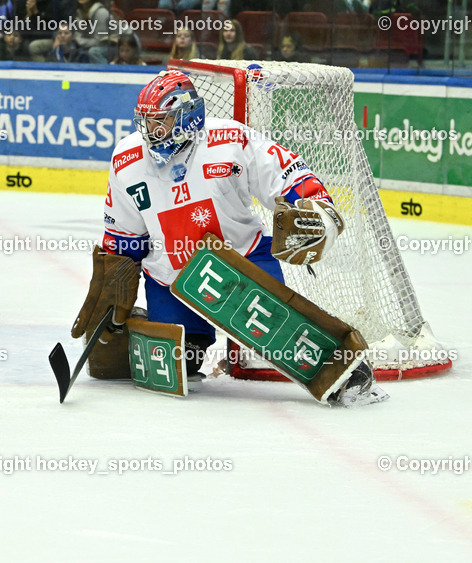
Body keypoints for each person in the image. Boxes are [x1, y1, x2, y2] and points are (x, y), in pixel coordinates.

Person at [71, 69, 383, 406]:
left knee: (279, 330)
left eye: (160, 122)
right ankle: (157, 325)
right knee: (181, 365)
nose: (151, 132)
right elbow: (125, 234)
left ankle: (343, 364)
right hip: (172, 280)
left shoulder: (230, 140)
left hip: (243, 264)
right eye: (146, 122)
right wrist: (115, 276)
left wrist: (313, 204)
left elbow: (288, 172)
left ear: (187, 116)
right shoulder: (126, 158)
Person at [72, 0, 114, 64]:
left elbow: (99, 41)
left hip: (120, 46)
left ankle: (106, 74)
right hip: (101, 45)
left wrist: (78, 39)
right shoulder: (80, 12)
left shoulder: (101, 12)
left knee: (94, 52)